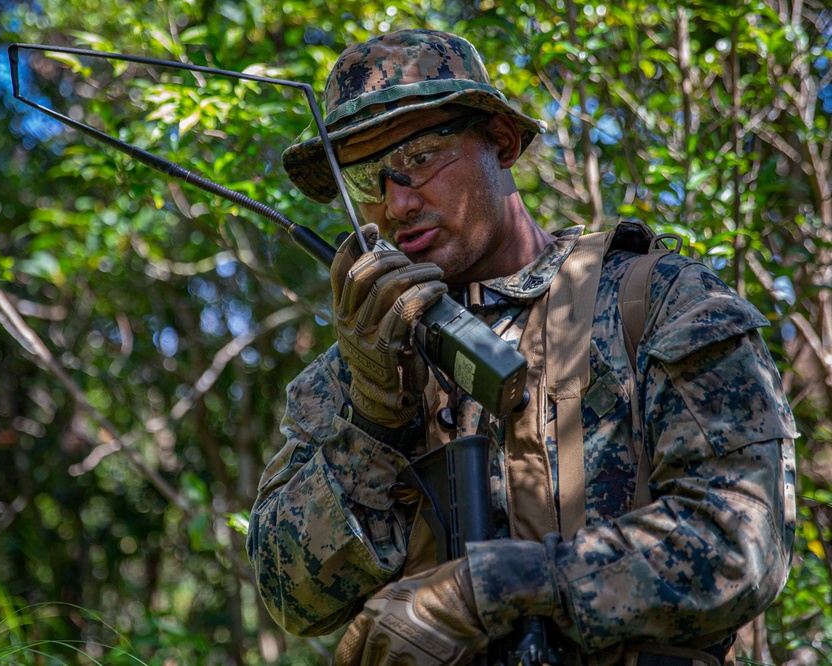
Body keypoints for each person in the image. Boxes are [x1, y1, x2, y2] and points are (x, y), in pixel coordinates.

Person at [247, 28, 797, 666]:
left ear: (500, 143)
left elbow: (742, 544)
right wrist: (370, 414)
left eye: (422, 156)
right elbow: (294, 599)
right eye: (369, 180)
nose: (397, 203)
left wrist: (498, 587)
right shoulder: (355, 369)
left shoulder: (655, 301)